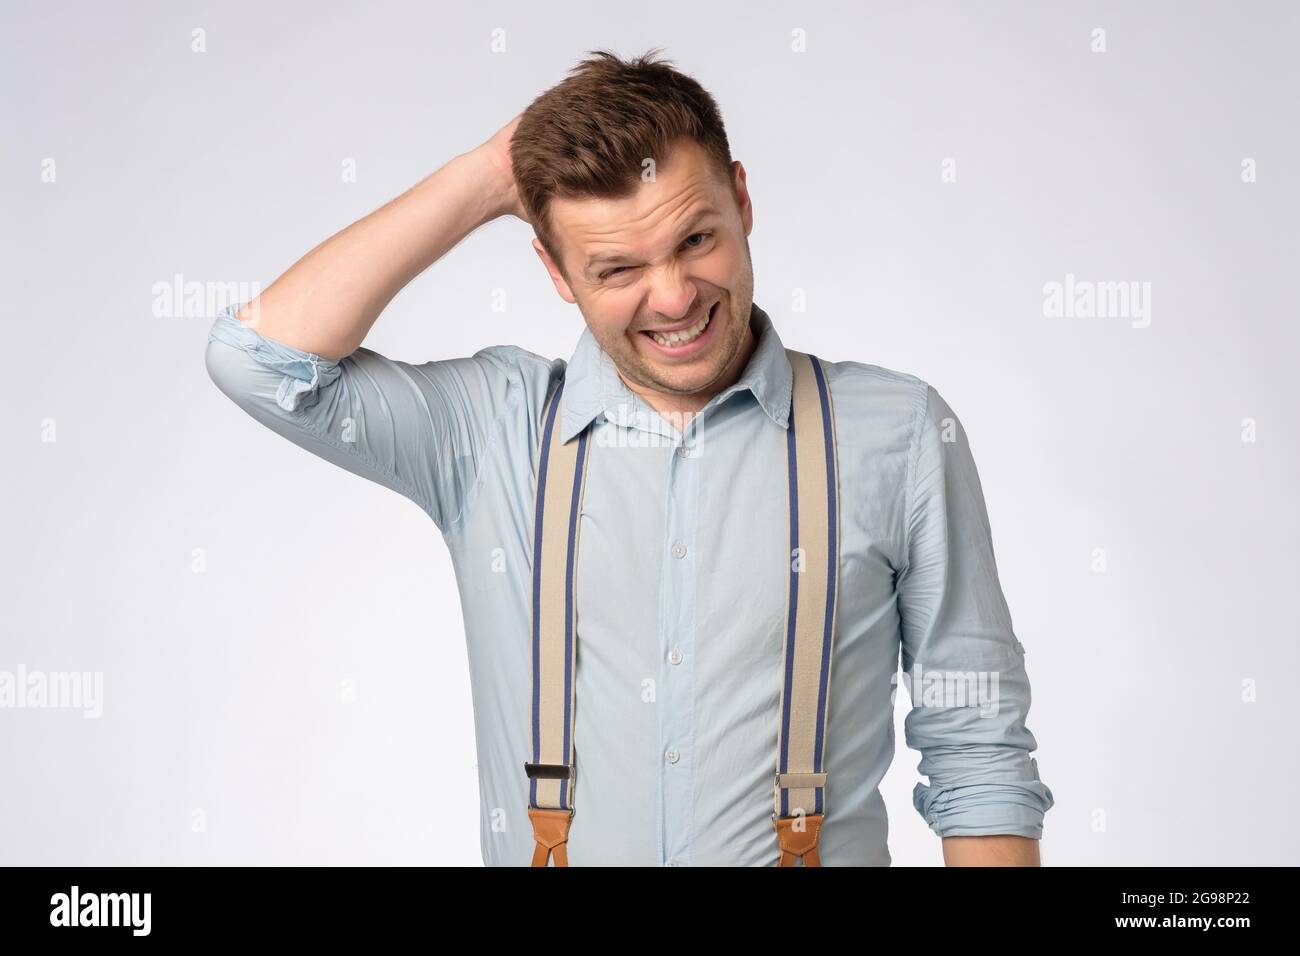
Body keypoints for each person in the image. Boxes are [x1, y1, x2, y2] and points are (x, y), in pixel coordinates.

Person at [204, 48, 1054, 866]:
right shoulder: (490, 431)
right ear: (555, 272)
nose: (675, 297)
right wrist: (488, 177)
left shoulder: (898, 433)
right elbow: (260, 361)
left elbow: (975, 742)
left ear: (742, 201)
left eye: (694, 240)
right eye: (616, 268)